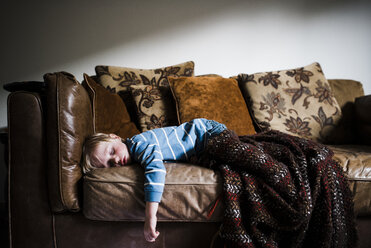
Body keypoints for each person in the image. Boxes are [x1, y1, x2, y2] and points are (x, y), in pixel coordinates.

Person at [82, 118, 227, 243]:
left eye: (112, 152)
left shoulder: (138, 143)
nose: (116, 160)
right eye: (109, 164)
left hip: (206, 134)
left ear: (114, 137)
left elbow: (156, 170)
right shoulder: (134, 155)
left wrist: (150, 216)